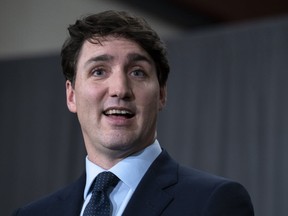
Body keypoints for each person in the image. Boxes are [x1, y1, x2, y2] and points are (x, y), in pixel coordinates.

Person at [13, 10, 254, 216]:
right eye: (99, 71)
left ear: (161, 93)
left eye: (137, 72)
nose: (120, 89)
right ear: (71, 95)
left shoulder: (214, 203)